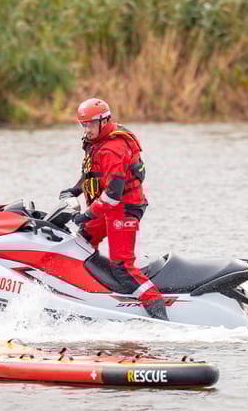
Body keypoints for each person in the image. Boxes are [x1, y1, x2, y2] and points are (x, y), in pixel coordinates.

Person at [59, 98, 167, 321]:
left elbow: (114, 194)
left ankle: (160, 316)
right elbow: (91, 173)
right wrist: (75, 191)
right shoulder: (97, 141)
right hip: (108, 206)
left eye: (90, 124)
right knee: (82, 241)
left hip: (125, 208)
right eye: (83, 125)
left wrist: (87, 214)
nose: (86, 129)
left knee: (122, 268)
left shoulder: (113, 148)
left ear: (104, 120)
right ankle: (88, 296)